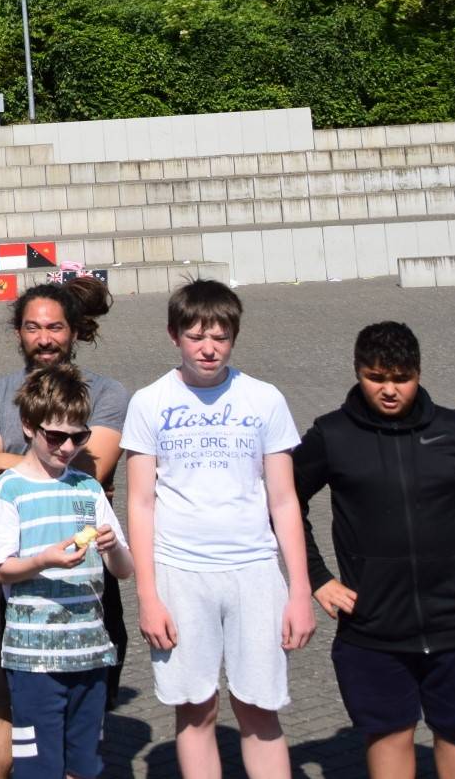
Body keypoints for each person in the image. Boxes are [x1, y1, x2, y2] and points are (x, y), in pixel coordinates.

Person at [124, 279, 313, 779]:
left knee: (259, 709)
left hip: (253, 571)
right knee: (195, 707)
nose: (208, 348)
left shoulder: (264, 399)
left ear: (234, 337)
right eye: (196, 335)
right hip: (180, 573)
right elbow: (140, 504)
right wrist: (148, 596)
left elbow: (285, 501)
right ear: (174, 336)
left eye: (221, 336)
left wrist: (299, 592)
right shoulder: (149, 402)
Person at [294, 321, 455, 779]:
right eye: (376, 377)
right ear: (358, 372)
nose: (390, 390)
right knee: (389, 744)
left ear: (418, 373)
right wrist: (317, 579)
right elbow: (280, 501)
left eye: (401, 377)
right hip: (373, 629)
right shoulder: (332, 435)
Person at [0, 276, 128, 779]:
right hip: (9, 572)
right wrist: (56, 472)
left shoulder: (108, 393)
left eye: (55, 327)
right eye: (33, 328)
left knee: (81, 716)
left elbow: (91, 474)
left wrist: (5, 464)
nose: (45, 338)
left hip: (84, 580)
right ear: (18, 333)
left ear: (74, 331)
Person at [0, 365, 135, 779]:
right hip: (34, 659)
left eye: (79, 436)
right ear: (29, 427)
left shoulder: (88, 488)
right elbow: (1, 568)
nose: (67, 447)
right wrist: (43, 561)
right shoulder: (10, 488)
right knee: (39, 768)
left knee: (84, 767)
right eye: (56, 436)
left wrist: (114, 549)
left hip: (89, 653)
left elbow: (124, 569)